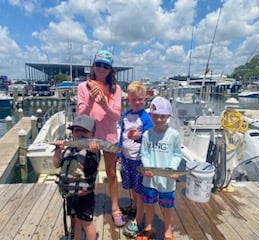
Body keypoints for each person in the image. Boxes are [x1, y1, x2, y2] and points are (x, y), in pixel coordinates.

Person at [76, 50, 126, 227]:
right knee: (88, 172)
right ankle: (86, 205)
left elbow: (115, 116)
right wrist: (91, 100)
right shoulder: (83, 86)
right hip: (89, 136)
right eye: (99, 64)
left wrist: (104, 103)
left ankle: (115, 207)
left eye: (106, 66)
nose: (102, 68)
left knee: (112, 173)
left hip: (109, 136)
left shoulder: (116, 89)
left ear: (111, 69)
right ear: (93, 66)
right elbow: (81, 115)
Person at [137, 96, 182, 240]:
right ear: (150, 115)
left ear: (169, 116)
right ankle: (148, 226)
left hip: (167, 180)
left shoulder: (174, 135)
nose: (159, 119)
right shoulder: (146, 135)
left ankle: (168, 229)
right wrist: (147, 167)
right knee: (149, 204)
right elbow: (144, 153)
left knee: (167, 207)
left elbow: (177, 154)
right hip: (149, 178)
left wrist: (172, 169)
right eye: (156, 116)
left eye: (163, 116)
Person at [53, 114, 100, 240]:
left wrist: (91, 153)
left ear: (92, 134)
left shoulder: (93, 152)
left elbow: (90, 170)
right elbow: (57, 164)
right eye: (77, 130)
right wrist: (58, 150)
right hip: (71, 195)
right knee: (75, 221)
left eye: (85, 131)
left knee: (87, 224)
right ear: (72, 133)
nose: (80, 133)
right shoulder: (69, 149)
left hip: (85, 196)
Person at [118, 81, 153, 237]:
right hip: (126, 158)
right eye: (134, 99)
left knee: (139, 191)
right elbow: (122, 136)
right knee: (132, 186)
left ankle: (139, 220)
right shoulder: (126, 116)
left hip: (139, 160)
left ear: (145, 99)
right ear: (129, 100)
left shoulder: (146, 118)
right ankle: (134, 207)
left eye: (140, 99)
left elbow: (150, 139)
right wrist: (120, 153)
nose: (137, 102)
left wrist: (139, 138)